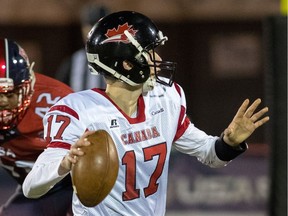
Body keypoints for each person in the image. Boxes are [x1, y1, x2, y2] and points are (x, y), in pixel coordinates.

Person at [22, 11, 270, 216]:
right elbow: (31, 187)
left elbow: (209, 154)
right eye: (150, 53)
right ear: (127, 64)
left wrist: (229, 142)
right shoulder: (79, 111)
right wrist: (65, 163)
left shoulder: (165, 97)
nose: (158, 59)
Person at [0, 38, 74, 216]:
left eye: (10, 93)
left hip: (71, 182)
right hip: (31, 189)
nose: (2, 102)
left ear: (27, 86)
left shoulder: (57, 102)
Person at [55, 3, 108, 91]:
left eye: (99, 27)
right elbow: (59, 92)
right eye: (90, 26)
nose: (93, 31)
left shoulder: (119, 59)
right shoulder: (73, 61)